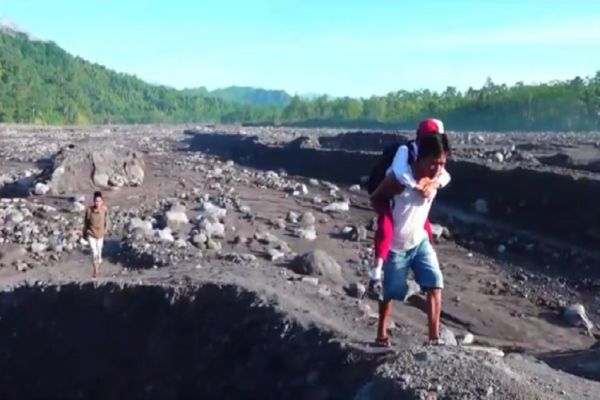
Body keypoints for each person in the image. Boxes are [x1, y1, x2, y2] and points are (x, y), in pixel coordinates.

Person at [371, 132, 451, 346]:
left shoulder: (436, 177)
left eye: (442, 163)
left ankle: (434, 339)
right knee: (390, 292)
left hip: (420, 241)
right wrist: (384, 224)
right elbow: (376, 197)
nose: (438, 168)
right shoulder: (398, 180)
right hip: (397, 245)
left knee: (435, 283)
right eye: (433, 163)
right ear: (420, 158)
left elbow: (445, 177)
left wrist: (433, 184)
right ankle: (382, 335)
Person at [83, 191, 109, 278]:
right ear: (93, 201)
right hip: (91, 234)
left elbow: (107, 221)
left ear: (102, 201)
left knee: (99, 253)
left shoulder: (104, 209)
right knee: (94, 252)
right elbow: (86, 223)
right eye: (96, 201)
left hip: (100, 234)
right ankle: (95, 270)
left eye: (99, 201)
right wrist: (84, 235)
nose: (97, 203)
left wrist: (105, 230)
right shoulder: (89, 210)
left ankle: (98, 266)